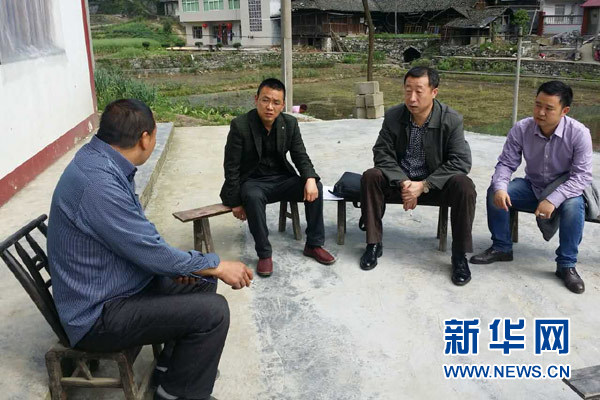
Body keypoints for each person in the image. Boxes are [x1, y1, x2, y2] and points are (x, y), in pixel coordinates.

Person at [48, 99, 253, 400]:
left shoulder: (100, 160)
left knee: (201, 280)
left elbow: (142, 238)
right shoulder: (98, 185)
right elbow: (148, 251)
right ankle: (177, 396)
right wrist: (219, 265)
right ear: (145, 138)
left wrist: (191, 267)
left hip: (115, 284)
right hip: (97, 314)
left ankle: (172, 373)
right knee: (214, 312)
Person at [470, 81, 593, 294]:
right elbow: (506, 163)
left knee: (575, 206)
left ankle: (566, 265)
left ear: (564, 111)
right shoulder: (522, 128)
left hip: (564, 191)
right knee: (496, 190)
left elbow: (581, 177)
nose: (540, 112)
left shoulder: (578, 133)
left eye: (549, 108)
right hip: (533, 186)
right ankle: (501, 247)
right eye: (538, 105)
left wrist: (552, 199)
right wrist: (500, 187)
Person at [359, 66, 476, 286]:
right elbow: (381, 153)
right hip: (400, 184)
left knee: (464, 185)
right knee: (371, 176)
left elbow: (461, 161)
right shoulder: (394, 116)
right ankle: (373, 243)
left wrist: (424, 185)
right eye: (408, 90)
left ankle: (459, 255)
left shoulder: (451, 120)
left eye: (419, 91)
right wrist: (404, 182)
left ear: (434, 92)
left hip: (434, 186)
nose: (412, 98)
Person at [220, 78, 335, 277]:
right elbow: (231, 167)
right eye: (265, 100)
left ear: (283, 105)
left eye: (276, 102)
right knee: (253, 197)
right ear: (256, 99)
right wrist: (235, 201)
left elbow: (300, 156)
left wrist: (310, 178)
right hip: (253, 182)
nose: (270, 107)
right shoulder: (240, 125)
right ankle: (264, 254)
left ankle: (314, 244)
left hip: (282, 179)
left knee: (315, 186)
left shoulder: (289, 123)